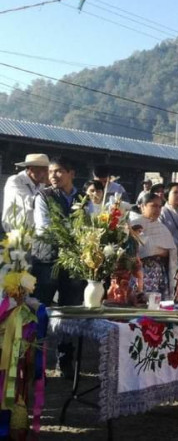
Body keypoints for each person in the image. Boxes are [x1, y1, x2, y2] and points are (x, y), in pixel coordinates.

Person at [31, 156, 87, 378]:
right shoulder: (43, 196)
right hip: (47, 260)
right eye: (51, 171)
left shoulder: (83, 198)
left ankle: (65, 361)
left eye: (59, 171)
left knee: (69, 311)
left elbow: (88, 224)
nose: (53, 175)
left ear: (71, 173)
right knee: (41, 310)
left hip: (73, 263)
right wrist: (72, 234)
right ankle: (36, 362)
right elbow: (44, 228)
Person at [131, 193, 178, 299]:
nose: (158, 209)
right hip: (136, 273)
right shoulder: (132, 225)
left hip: (157, 274)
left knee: (153, 305)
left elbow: (171, 252)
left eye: (160, 206)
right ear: (143, 206)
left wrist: (159, 251)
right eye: (154, 206)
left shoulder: (162, 229)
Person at [2, 153, 49, 232]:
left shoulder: (41, 184)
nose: (47, 174)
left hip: (34, 233)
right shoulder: (15, 181)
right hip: (16, 232)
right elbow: (28, 202)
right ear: (31, 169)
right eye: (44, 170)